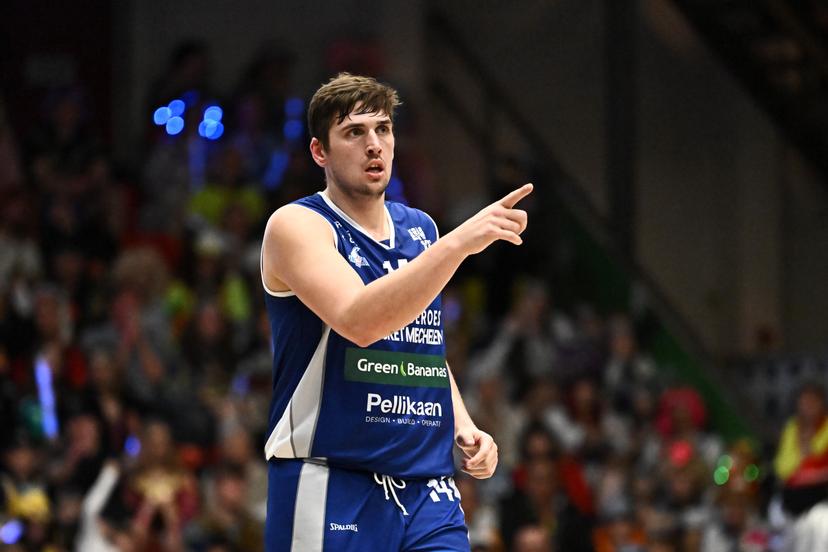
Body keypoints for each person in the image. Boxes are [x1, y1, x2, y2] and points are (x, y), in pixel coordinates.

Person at [260, 73, 532, 551]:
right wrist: (459, 244)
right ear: (319, 152)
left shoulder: (421, 230)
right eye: (354, 132)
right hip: (332, 480)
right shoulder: (296, 226)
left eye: (383, 129)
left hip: (428, 489)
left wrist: (464, 425)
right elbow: (360, 322)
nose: (374, 145)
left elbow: (419, 345)